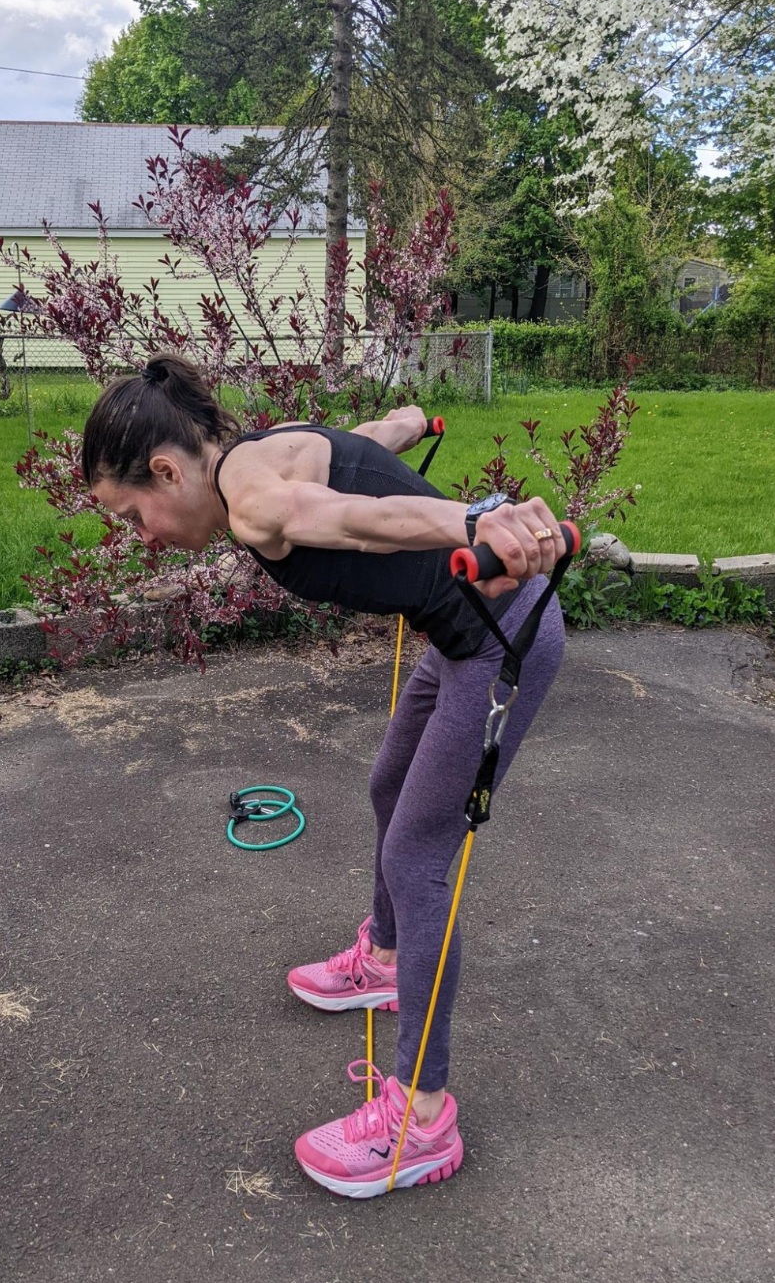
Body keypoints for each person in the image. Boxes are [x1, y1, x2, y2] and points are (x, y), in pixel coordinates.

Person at [78, 353, 569, 1199]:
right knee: (389, 784)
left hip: (499, 637)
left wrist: (478, 521)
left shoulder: (255, 501)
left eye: (135, 513)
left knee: (420, 858)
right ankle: (383, 960)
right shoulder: (257, 454)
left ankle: (423, 1116)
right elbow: (358, 448)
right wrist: (407, 426)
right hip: (457, 637)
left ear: (165, 469)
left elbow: (347, 516)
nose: (145, 536)